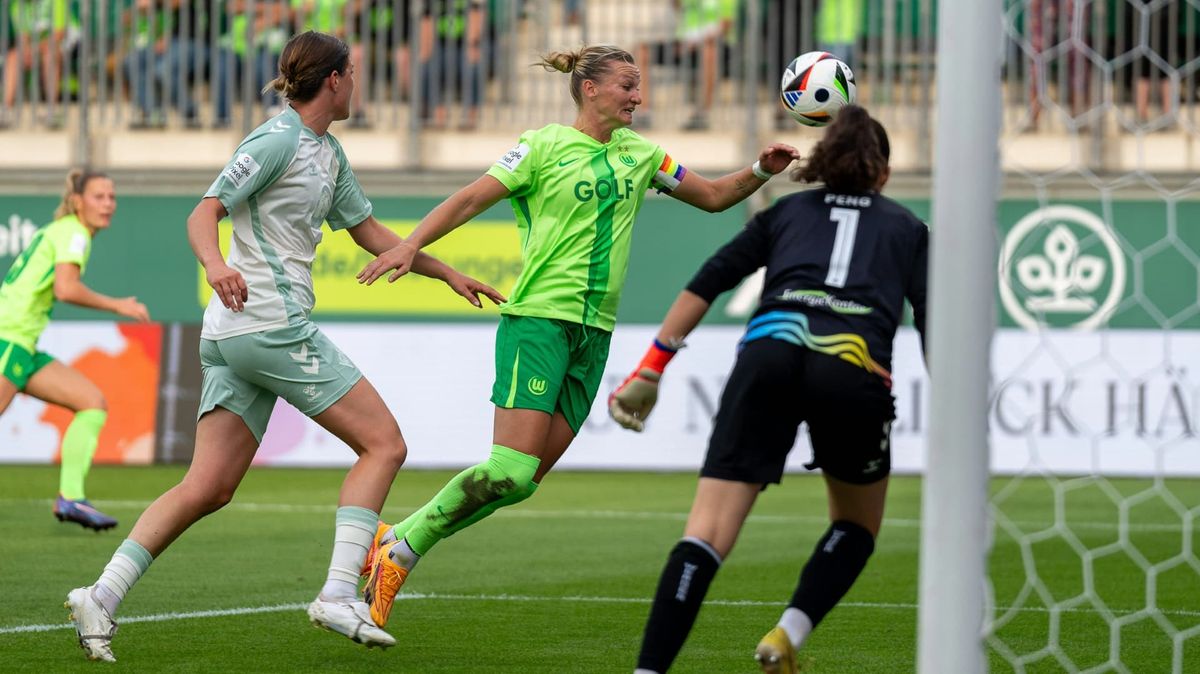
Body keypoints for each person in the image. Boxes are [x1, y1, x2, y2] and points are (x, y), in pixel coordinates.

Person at [64, 31, 504, 662]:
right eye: (353, 73)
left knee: (208, 487)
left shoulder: (329, 153)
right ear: (334, 79)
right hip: (269, 325)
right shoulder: (276, 139)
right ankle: (336, 593)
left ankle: (100, 596)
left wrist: (445, 272)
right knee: (385, 445)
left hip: (237, 335)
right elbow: (203, 212)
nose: (358, 83)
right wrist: (216, 265)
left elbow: (371, 232)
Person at [354, 43, 799, 629]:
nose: (638, 96)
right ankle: (400, 554)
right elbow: (468, 198)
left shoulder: (642, 155)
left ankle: (395, 540)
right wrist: (411, 245)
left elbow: (714, 198)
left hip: (595, 333)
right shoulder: (540, 146)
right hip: (538, 320)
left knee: (525, 481)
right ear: (590, 89)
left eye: (639, 87)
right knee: (509, 469)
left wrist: (763, 169)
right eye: (627, 86)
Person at [612, 105, 927, 674]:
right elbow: (934, 324)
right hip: (852, 366)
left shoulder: (786, 212)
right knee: (856, 526)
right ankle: (787, 633)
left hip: (770, 354)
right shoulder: (907, 228)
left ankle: (648, 671)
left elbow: (709, 281)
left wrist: (651, 368)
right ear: (882, 173)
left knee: (706, 533)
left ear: (823, 162)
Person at [0, 169, 150, 532]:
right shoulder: (75, 233)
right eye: (99, 197)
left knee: (91, 402)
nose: (108, 204)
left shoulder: (65, 230)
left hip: (24, 344)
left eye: (112, 197)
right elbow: (66, 289)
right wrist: (118, 305)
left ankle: (71, 498)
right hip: (9, 339)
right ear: (77, 201)